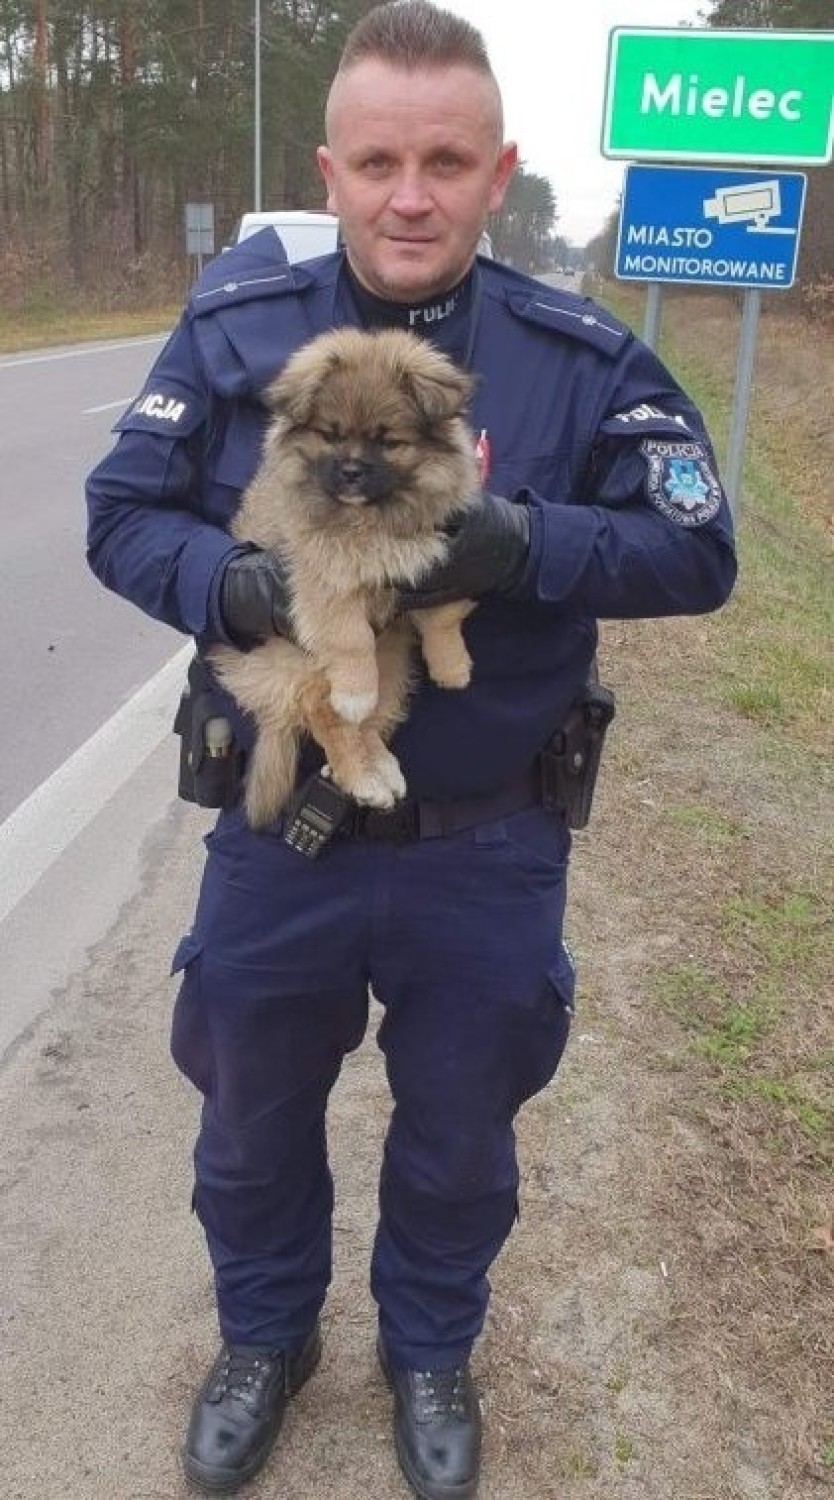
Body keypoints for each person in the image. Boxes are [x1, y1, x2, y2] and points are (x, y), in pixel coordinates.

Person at [85, 3, 737, 1495]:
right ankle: (264, 1337)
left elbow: (697, 552)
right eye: (378, 158)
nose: (410, 192)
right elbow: (121, 515)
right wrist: (233, 588)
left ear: (495, 169)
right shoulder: (246, 330)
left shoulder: (574, 354)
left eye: (445, 159)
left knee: (457, 1137)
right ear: (331, 167)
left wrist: (522, 546)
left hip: (487, 845)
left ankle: (430, 1351)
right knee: (247, 1120)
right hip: (283, 839)